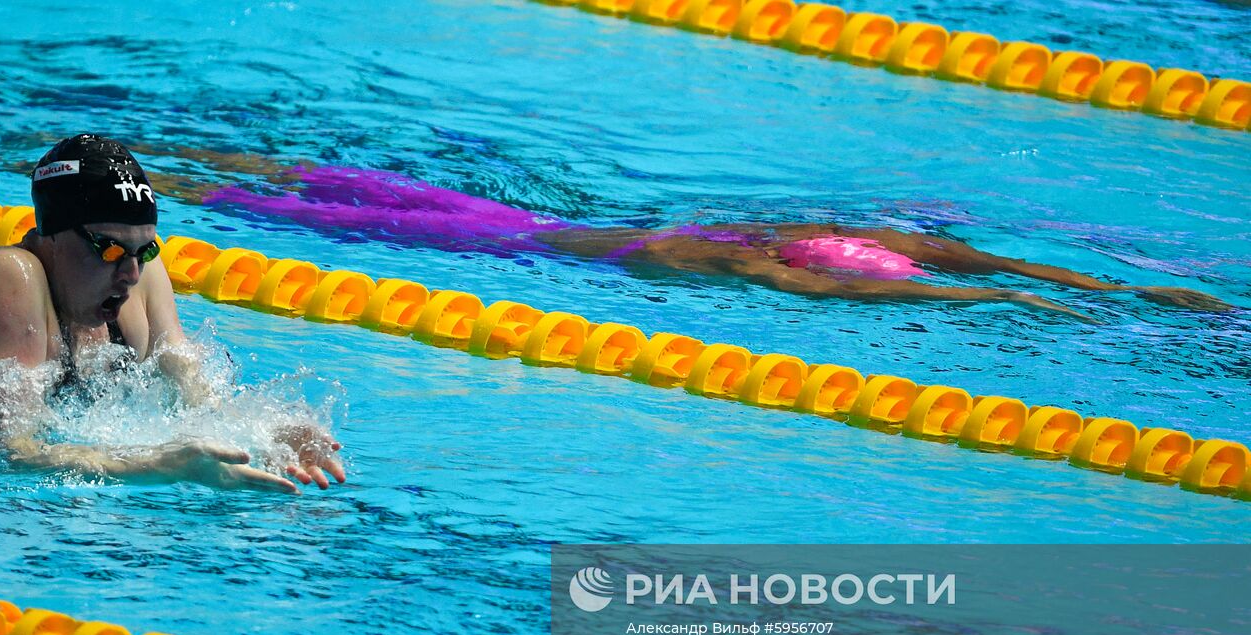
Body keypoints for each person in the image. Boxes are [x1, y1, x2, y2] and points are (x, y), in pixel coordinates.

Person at [145, 149, 1230, 319]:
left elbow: (984, 271)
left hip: (525, 229)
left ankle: (169, 169)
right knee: (299, 197)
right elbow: (979, 281)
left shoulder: (787, 239)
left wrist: (1044, 293)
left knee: (318, 186)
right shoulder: (777, 266)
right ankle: (176, 179)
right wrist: (1032, 300)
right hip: (514, 242)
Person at [0, 135, 345, 495]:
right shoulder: (10, 277)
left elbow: (197, 400)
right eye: (108, 249)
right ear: (51, 236)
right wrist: (157, 467)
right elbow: (4, 453)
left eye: (145, 250)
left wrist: (263, 437)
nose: (130, 273)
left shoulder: (141, 279)